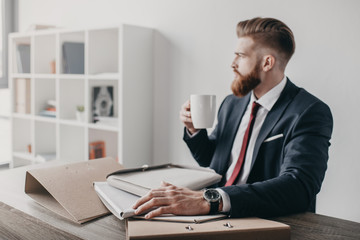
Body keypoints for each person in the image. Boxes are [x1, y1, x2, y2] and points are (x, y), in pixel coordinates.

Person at [133, 17, 333, 219]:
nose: (232, 64)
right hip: (211, 215)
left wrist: (210, 200)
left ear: (267, 62)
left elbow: (298, 187)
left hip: (263, 220)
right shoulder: (232, 103)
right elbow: (213, 160)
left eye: (240, 56)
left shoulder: (309, 112)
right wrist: (194, 130)